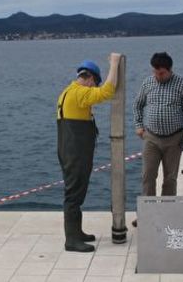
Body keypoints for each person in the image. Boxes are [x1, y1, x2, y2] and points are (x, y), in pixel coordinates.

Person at [56, 53, 122, 252]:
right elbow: (107, 91)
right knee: (74, 195)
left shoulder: (68, 91)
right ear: (91, 78)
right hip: (75, 153)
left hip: (70, 150)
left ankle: (76, 233)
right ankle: (71, 240)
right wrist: (114, 63)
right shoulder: (80, 93)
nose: (94, 87)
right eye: (95, 83)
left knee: (76, 192)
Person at [132, 52, 183, 227]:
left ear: (170, 70)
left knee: (170, 179)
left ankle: (167, 215)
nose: (158, 76)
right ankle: (147, 215)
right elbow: (138, 105)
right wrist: (138, 125)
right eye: (155, 72)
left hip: (173, 139)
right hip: (151, 138)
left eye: (161, 73)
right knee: (148, 176)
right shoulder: (147, 83)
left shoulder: (182, 85)